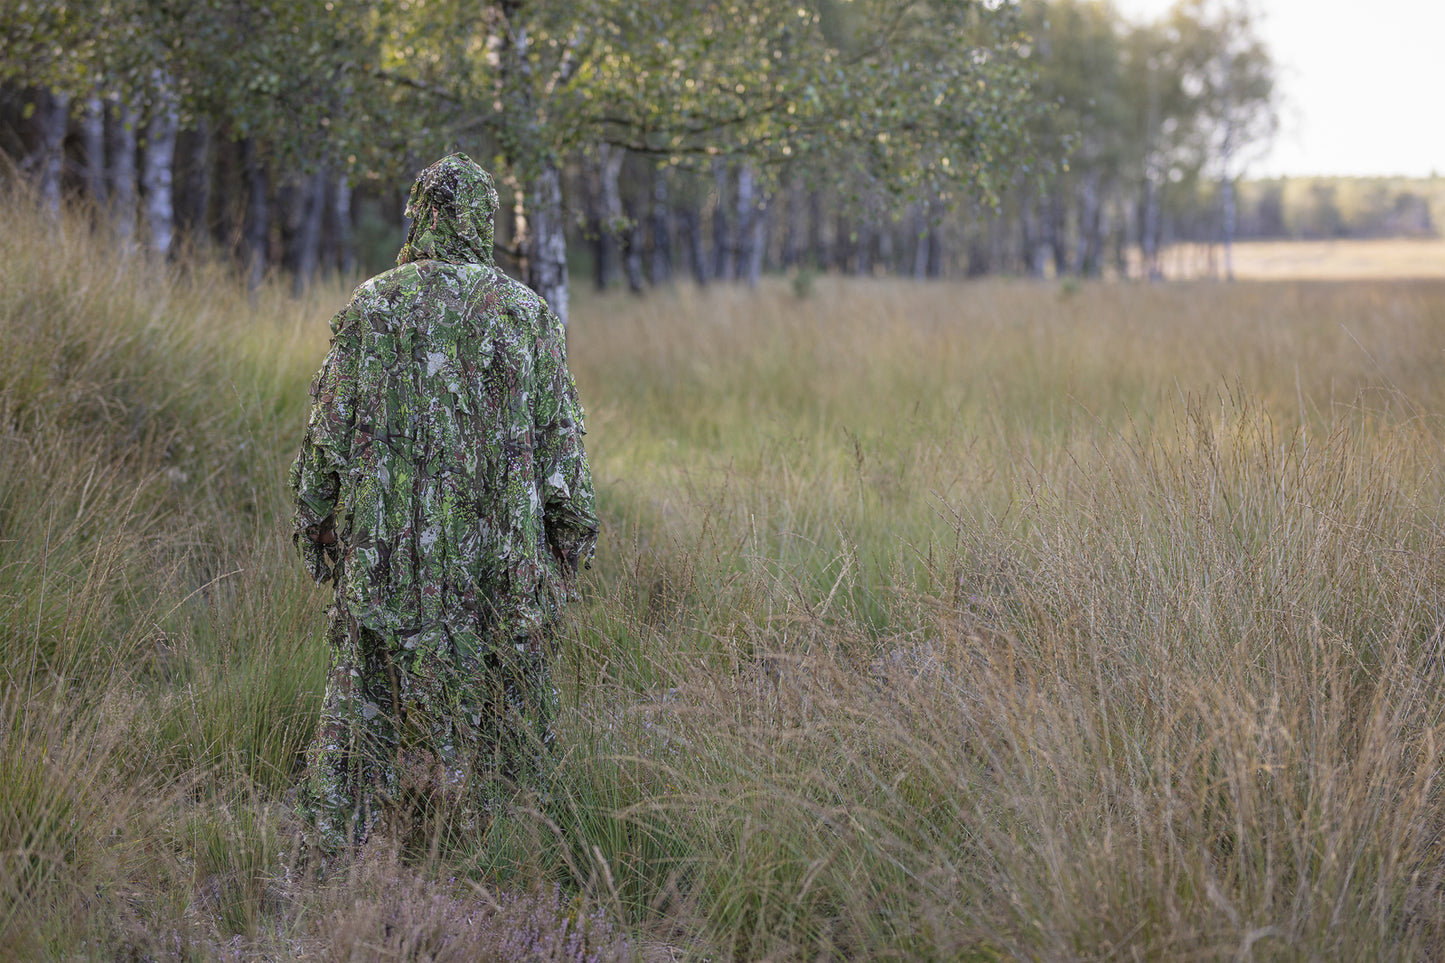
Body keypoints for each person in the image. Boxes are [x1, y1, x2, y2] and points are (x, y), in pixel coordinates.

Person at [289, 152, 598, 852]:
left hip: (385, 561)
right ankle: (505, 850)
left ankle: (346, 851)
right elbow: (562, 451)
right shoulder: (525, 314)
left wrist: (315, 526)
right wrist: (569, 545)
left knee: (369, 706)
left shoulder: (373, 305)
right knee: (507, 711)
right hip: (500, 566)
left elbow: (324, 437)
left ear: (421, 214)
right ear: (483, 220)